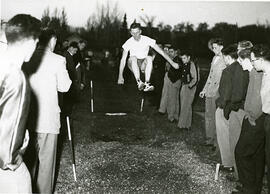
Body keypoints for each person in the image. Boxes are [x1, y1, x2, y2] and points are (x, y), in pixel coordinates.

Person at [23, 29, 71, 193]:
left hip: (26, 119)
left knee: (28, 162)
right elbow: (64, 87)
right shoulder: (58, 60)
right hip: (48, 119)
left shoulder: (26, 57)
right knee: (46, 164)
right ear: (53, 40)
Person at [0, 14, 41, 193]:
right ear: (32, 43)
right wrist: (12, 164)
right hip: (6, 171)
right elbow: (7, 150)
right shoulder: (16, 78)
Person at [234, 44, 266, 194]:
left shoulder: (256, 73)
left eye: (242, 61)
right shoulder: (253, 73)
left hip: (255, 118)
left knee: (242, 152)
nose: (241, 65)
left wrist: (252, 116)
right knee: (257, 155)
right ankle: (253, 187)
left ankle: (248, 188)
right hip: (254, 117)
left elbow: (260, 99)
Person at [117, 22, 179, 92]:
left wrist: (172, 63)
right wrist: (120, 76)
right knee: (133, 57)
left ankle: (147, 83)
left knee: (149, 57)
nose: (135, 35)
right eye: (133, 33)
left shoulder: (147, 40)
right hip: (132, 64)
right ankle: (139, 82)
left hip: (143, 64)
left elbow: (161, 52)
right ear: (130, 32)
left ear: (140, 31)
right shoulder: (128, 42)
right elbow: (123, 60)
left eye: (137, 32)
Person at [199, 38, 226, 149]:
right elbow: (210, 76)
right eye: (213, 48)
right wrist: (204, 90)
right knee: (208, 116)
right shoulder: (214, 58)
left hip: (218, 92)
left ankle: (216, 141)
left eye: (215, 47)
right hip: (210, 91)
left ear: (221, 47)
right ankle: (209, 139)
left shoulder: (225, 59)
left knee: (217, 117)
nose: (214, 50)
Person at [178, 50, 200, 130]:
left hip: (189, 87)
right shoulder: (185, 64)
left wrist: (190, 86)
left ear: (189, 57)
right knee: (186, 105)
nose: (183, 60)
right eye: (182, 58)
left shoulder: (192, 65)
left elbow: (195, 78)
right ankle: (187, 125)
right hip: (184, 86)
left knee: (185, 105)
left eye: (184, 58)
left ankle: (182, 125)